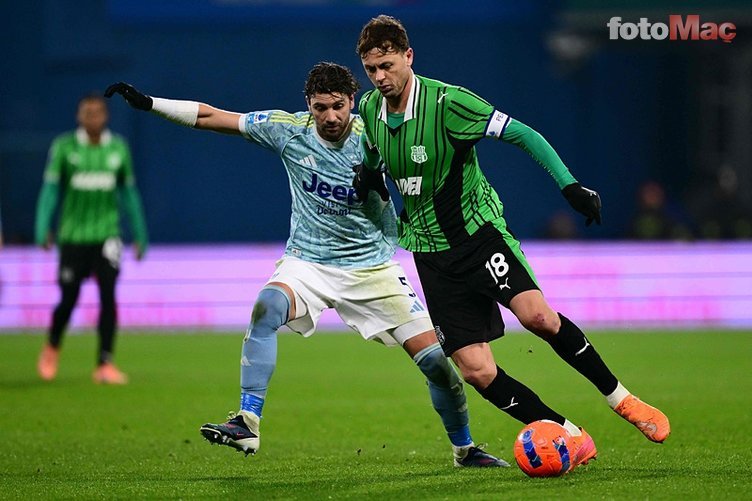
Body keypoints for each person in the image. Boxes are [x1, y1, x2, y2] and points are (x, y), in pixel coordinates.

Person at [105, 62, 507, 467]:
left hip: (374, 268)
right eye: (320, 108)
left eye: (338, 106)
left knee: (436, 362)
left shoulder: (379, 134)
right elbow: (212, 116)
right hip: (308, 263)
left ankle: (464, 449)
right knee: (266, 308)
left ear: (353, 101)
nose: (330, 117)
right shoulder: (288, 131)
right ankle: (247, 420)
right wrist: (150, 103)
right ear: (308, 105)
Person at [354, 15, 671, 471]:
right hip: (430, 254)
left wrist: (569, 186)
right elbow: (372, 152)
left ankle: (622, 399)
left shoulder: (449, 103)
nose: (380, 77)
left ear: (408, 56)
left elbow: (525, 134)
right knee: (476, 370)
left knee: (537, 317)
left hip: (479, 237)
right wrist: (368, 175)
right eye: (371, 69)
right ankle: (569, 434)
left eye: (387, 65)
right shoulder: (369, 108)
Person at [35, 93, 149, 384]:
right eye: (87, 113)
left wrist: (140, 233)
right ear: (79, 116)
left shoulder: (118, 149)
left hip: (108, 236)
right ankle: (52, 345)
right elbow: (50, 190)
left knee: (108, 296)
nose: (92, 118)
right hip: (73, 236)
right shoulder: (64, 147)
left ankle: (104, 363)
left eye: (97, 113)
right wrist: (42, 226)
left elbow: (129, 194)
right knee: (69, 298)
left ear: (105, 116)